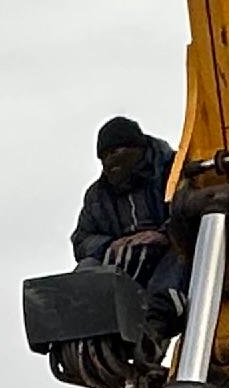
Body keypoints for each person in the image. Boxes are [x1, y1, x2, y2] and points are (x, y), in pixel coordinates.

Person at [71, 114, 182, 304]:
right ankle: (82, 320)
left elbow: (190, 211)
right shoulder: (97, 196)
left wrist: (163, 235)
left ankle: (162, 310)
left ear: (137, 148)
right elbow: (81, 239)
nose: (110, 161)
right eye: (104, 156)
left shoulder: (173, 171)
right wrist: (110, 246)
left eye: (115, 151)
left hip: (169, 255)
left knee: (177, 256)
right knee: (87, 267)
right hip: (124, 265)